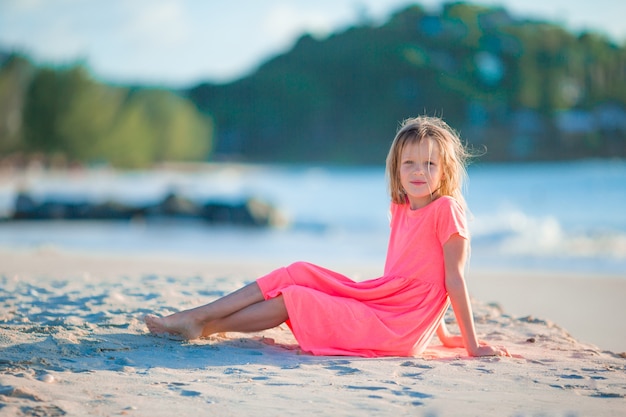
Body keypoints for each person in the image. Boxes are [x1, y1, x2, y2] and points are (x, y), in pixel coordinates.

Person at [144, 116, 509, 358]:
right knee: (297, 271)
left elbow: (452, 280)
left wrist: (471, 345)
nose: (419, 172)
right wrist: (443, 337)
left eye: (429, 164)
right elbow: (418, 279)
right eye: (409, 163)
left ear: (444, 171)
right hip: (385, 302)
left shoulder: (446, 209)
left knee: (297, 298)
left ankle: (205, 326)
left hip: (398, 328)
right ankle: (197, 316)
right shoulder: (401, 209)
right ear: (396, 170)